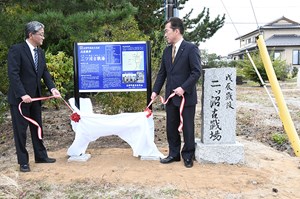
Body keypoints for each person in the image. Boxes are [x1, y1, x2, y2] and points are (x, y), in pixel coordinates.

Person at [7, 21, 61, 172]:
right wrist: (22, 93)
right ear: (31, 35)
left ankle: (41, 156)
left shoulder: (40, 52)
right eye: (41, 34)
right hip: (20, 99)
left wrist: (52, 88)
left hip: (36, 97)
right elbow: (13, 74)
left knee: (37, 127)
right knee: (21, 131)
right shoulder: (16, 50)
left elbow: (44, 72)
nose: (43, 37)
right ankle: (23, 161)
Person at [151, 17, 201, 168]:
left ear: (176, 31)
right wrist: (155, 91)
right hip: (171, 98)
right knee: (171, 127)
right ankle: (174, 154)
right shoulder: (167, 51)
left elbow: (196, 72)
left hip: (186, 97)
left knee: (187, 128)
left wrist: (183, 88)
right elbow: (162, 74)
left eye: (167, 31)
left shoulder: (191, 48)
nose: (165, 34)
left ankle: (188, 155)